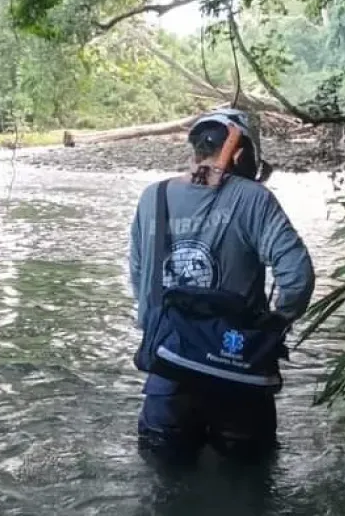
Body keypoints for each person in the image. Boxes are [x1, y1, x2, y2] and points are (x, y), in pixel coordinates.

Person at [128, 108, 315, 462]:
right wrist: (277, 321)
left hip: (168, 372)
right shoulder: (253, 198)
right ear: (244, 155)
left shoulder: (152, 197)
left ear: (195, 150)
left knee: (163, 494)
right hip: (239, 370)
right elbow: (297, 276)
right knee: (250, 493)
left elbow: (140, 280)